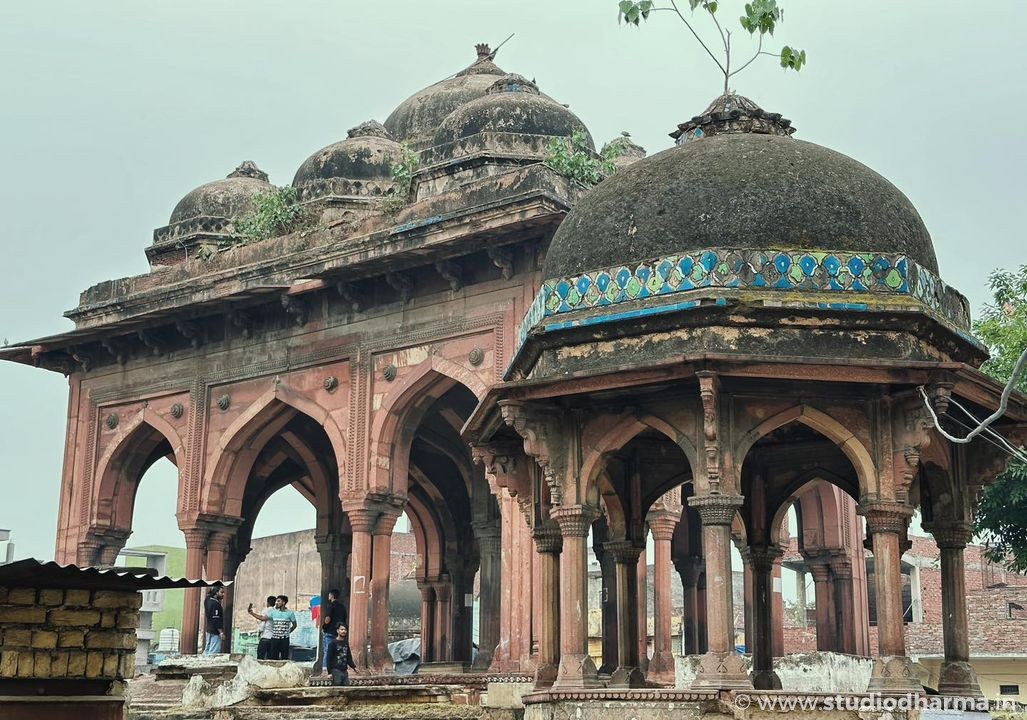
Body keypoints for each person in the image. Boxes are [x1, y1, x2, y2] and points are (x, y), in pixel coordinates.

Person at [320, 589, 348, 674]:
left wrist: (324, 627)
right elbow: (344, 619)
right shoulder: (342, 607)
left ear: (332, 596)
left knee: (327, 651)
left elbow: (327, 619)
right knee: (337, 651)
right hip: (338, 633)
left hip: (329, 632)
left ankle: (325, 670)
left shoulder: (331, 606)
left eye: (329, 595)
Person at [203, 587, 225, 655]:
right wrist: (221, 632)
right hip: (215, 632)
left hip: (209, 629)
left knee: (207, 650)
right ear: (216, 592)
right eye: (221, 592)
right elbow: (216, 619)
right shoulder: (216, 604)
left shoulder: (207, 600)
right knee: (213, 652)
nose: (223, 594)